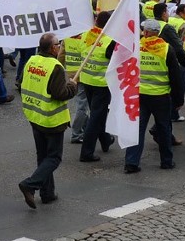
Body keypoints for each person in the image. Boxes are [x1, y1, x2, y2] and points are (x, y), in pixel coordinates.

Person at [18, 33, 77, 208]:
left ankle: (47, 193)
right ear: (52, 48)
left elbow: (22, 82)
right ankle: (29, 184)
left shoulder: (31, 60)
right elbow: (60, 94)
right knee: (54, 158)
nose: (59, 47)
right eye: (58, 45)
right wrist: (72, 87)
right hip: (51, 119)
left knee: (43, 156)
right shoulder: (55, 66)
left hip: (34, 115)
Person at [124, 20, 183, 173]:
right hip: (160, 95)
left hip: (139, 94)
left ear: (148, 32)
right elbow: (176, 76)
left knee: (137, 129)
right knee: (163, 129)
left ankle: (131, 162)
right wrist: (178, 99)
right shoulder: (166, 49)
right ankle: (166, 162)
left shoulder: (136, 47)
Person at [77, 11, 116, 163]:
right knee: (96, 117)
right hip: (101, 83)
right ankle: (86, 152)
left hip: (87, 79)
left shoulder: (87, 34)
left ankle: (105, 139)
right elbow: (116, 61)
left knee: (97, 114)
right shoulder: (109, 40)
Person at [62, 32, 88, 144]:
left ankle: (87, 128)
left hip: (70, 76)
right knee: (82, 106)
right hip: (83, 76)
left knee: (82, 105)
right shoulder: (87, 38)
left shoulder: (67, 38)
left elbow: (61, 57)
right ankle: (76, 134)